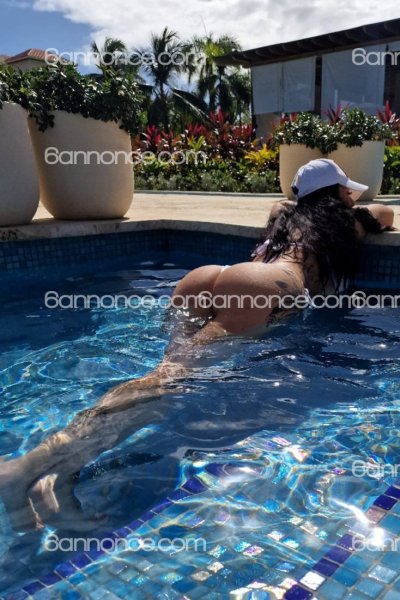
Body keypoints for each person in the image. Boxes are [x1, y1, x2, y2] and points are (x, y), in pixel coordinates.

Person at [0, 159, 394, 532]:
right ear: (336, 194)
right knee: (167, 382)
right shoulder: (347, 224)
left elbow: (285, 204)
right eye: (346, 190)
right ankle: (24, 468)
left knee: (161, 384)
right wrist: (349, 206)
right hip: (267, 287)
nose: (351, 196)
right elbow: (384, 214)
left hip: (208, 278)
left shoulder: (283, 216)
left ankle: (59, 475)